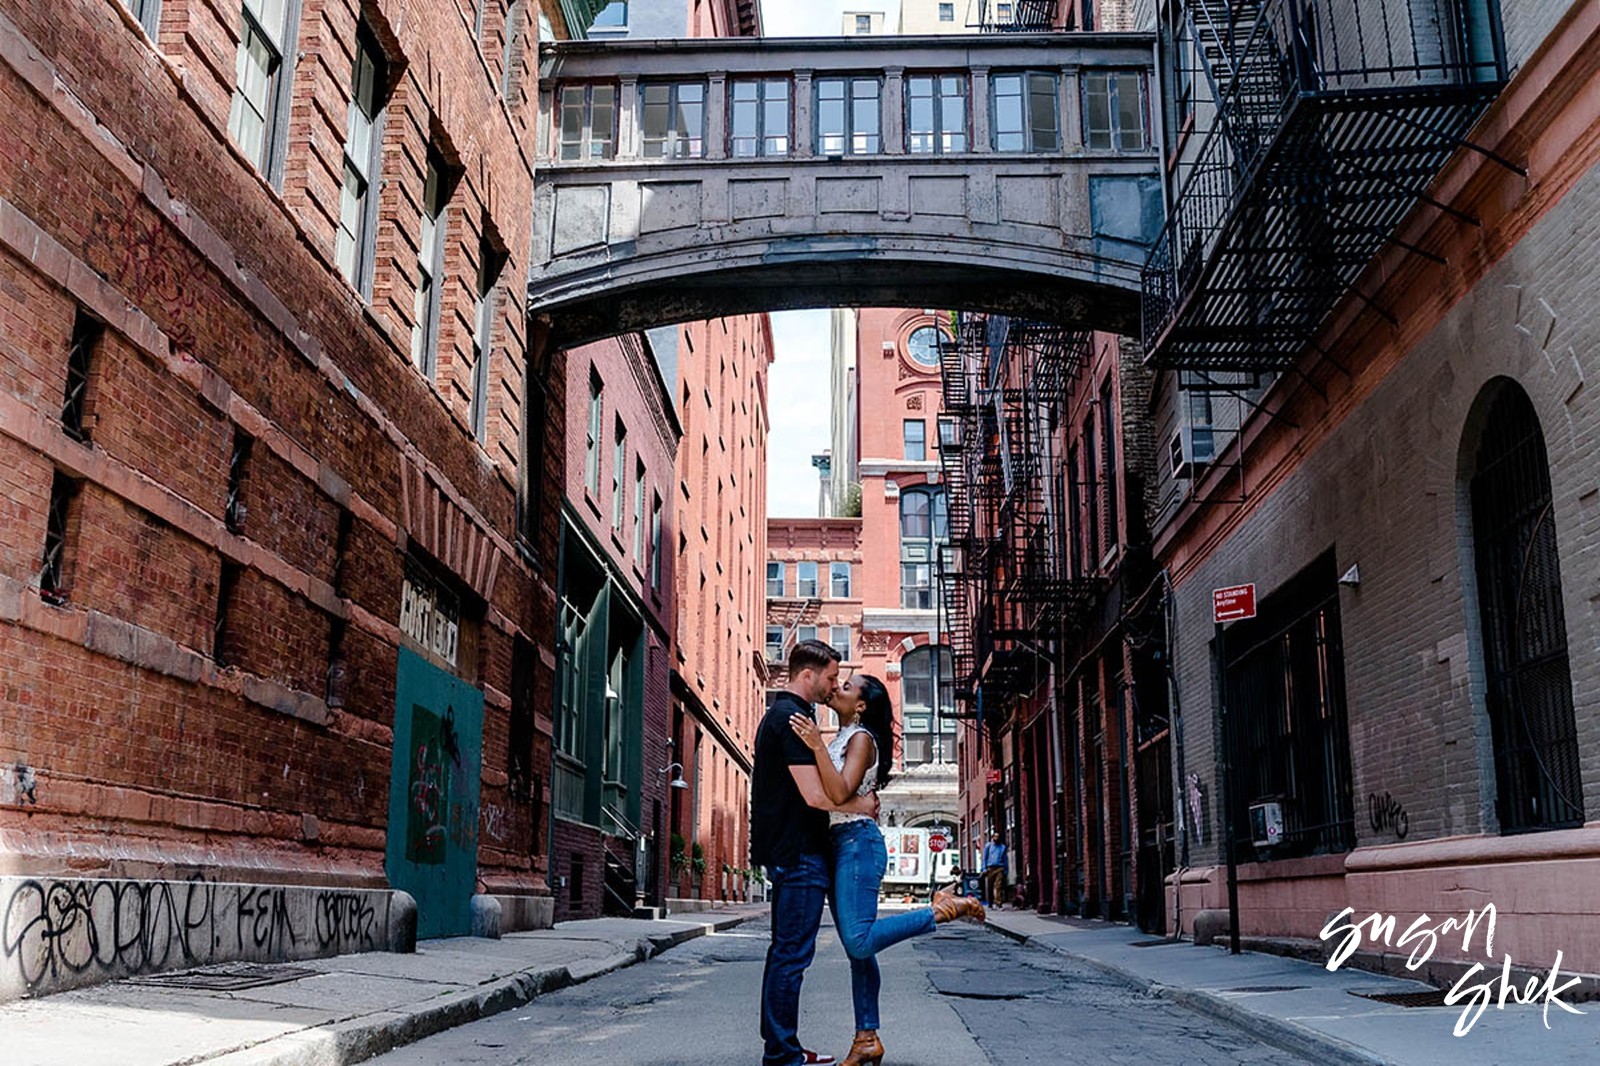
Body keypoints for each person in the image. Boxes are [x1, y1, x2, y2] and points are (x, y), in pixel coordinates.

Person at [790, 674, 986, 1066]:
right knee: (859, 953)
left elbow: (839, 792)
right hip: (842, 845)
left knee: (860, 941)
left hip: (857, 846)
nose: (838, 687)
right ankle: (867, 1038)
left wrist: (814, 746)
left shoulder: (861, 738)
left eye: (847, 686)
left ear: (861, 705)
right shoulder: (842, 737)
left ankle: (943, 909)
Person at [754, 640, 878, 1066]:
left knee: (785, 952)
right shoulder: (791, 718)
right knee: (791, 954)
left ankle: (781, 1045)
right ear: (808, 675)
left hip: (796, 851)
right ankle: (783, 1053)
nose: (832, 686)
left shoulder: (794, 717)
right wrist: (860, 805)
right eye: (829, 678)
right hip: (799, 852)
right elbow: (814, 795)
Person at [981, 830, 1007, 909]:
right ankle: (990, 903)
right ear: (992, 838)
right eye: (995, 836)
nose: (996, 838)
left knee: (998, 886)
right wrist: (984, 868)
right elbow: (984, 858)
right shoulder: (988, 846)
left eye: (998, 837)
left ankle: (998, 903)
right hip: (990, 868)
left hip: (999, 867)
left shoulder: (1003, 847)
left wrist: (1005, 869)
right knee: (990, 886)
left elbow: (1005, 859)